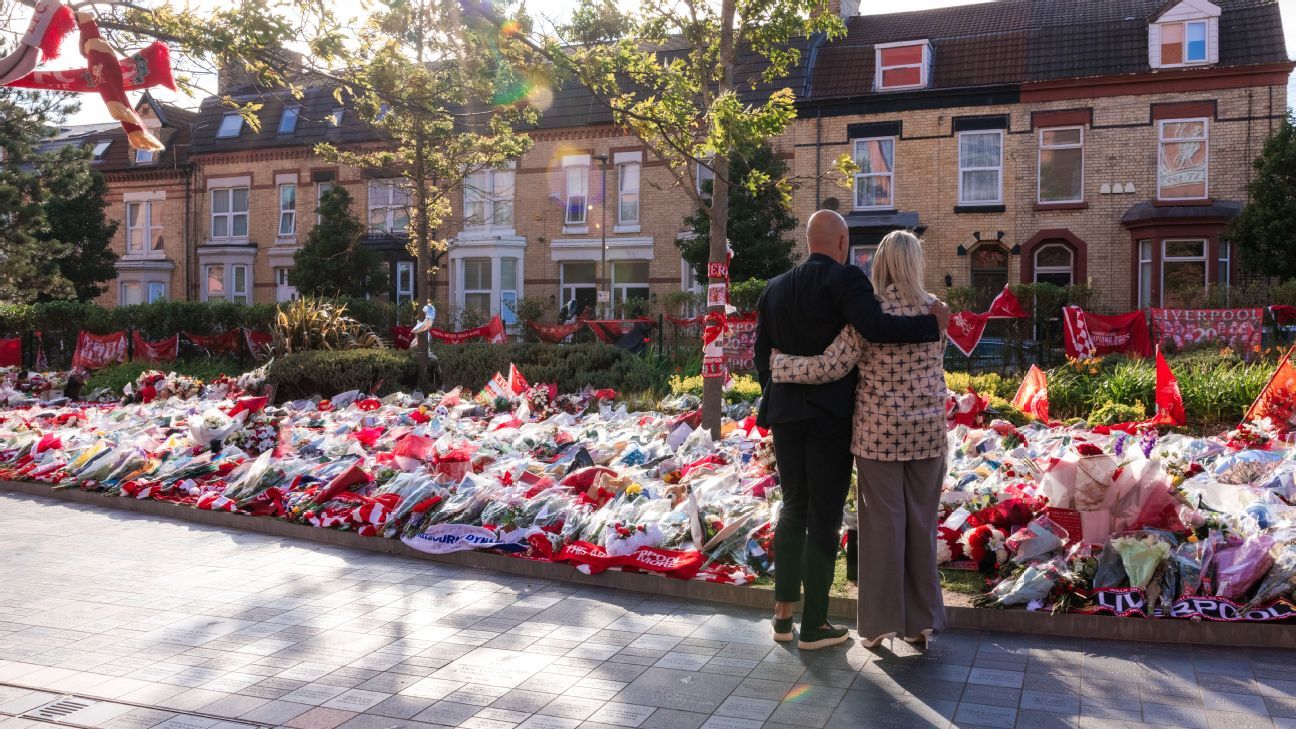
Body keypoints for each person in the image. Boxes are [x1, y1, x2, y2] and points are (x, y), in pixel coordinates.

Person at [754, 211, 949, 650]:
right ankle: (914, 623)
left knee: (811, 513)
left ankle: (806, 618)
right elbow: (928, 360)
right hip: (921, 432)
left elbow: (829, 361)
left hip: (868, 431)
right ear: (842, 242)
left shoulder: (778, 289)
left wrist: (778, 370)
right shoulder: (937, 311)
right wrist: (930, 324)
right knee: (917, 525)